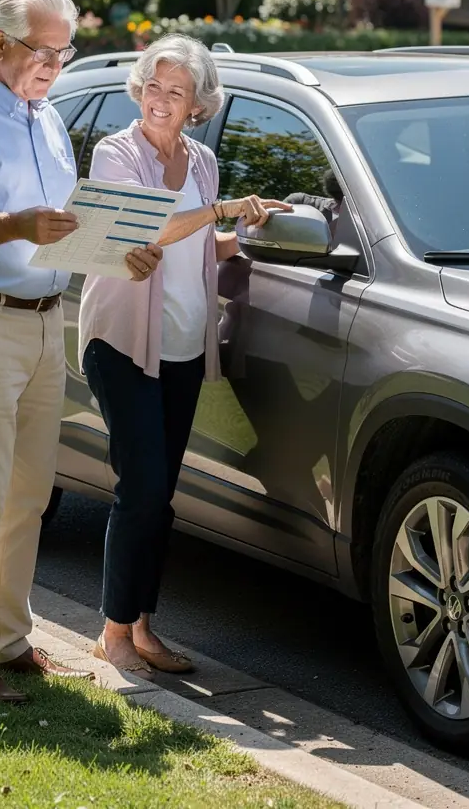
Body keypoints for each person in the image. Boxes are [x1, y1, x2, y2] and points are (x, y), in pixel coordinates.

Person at [0, 0, 160, 703]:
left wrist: (120, 253)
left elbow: (65, 225)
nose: (53, 65)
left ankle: (8, 642)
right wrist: (12, 225)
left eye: (63, 52)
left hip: (45, 319)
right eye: (42, 51)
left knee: (28, 494)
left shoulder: (44, 118)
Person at [79, 34, 290, 676]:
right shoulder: (116, 153)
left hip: (182, 348)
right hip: (121, 344)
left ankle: (143, 628)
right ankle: (113, 633)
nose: (161, 100)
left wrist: (250, 230)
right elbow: (146, 228)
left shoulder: (202, 162)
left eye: (176, 91)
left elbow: (199, 243)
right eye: (153, 85)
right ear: (139, 89)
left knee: (161, 495)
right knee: (140, 489)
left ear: (198, 104)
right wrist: (218, 211)